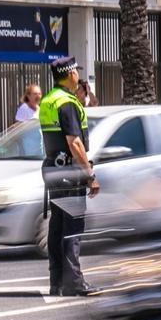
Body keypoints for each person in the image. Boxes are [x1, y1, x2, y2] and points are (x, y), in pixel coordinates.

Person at [38, 58, 100, 297]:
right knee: (72, 228)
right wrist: (90, 174)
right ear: (70, 74)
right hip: (70, 172)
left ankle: (57, 281)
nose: (78, 76)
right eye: (76, 71)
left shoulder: (48, 100)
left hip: (53, 170)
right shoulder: (67, 102)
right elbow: (74, 143)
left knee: (57, 226)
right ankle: (73, 281)